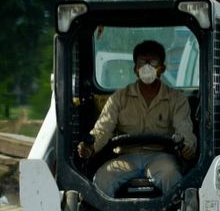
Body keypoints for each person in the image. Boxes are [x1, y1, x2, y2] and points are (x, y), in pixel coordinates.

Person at [77, 40, 197, 197]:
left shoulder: (176, 99)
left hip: (161, 157)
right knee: (103, 178)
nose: (147, 67)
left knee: (171, 176)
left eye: (153, 62)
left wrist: (187, 147)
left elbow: (184, 129)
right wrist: (89, 147)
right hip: (125, 158)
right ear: (135, 69)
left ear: (162, 68)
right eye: (142, 61)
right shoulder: (119, 98)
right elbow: (103, 129)